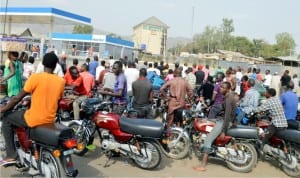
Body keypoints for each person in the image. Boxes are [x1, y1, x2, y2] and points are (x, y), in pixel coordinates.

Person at [0, 52, 65, 166]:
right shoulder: (61, 81)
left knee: (7, 119)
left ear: (43, 63)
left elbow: (17, 99)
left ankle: (11, 155)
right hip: (49, 120)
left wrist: (4, 109)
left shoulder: (35, 77)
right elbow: (56, 100)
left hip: (33, 119)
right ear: (56, 66)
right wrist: (31, 100)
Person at [193, 81, 238, 172]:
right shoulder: (227, 97)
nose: (220, 89)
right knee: (205, 121)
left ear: (228, 89)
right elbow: (222, 109)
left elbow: (227, 115)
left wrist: (223, 131)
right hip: (220, 119)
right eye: (221, 87)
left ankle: (203, 165)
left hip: (223, 122)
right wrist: (208, 108)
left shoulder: (229, 98)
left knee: (208, 140)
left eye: (223, 88)